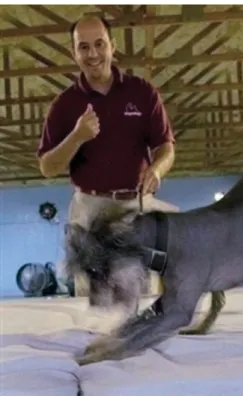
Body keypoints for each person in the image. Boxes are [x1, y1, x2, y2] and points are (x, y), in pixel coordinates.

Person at [37, 15, 179, 297]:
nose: (93, 54)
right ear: (74, 52)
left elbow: (166, 147)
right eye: (84, 47)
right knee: (95, 300)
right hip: (90, 209)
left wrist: (158, 170)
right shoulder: (64, 105)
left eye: (99, 44)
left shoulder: (142, 92)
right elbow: (47, 167)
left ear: (112, 46)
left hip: (136, 204)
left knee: (148, 287)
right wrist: (76, 136)